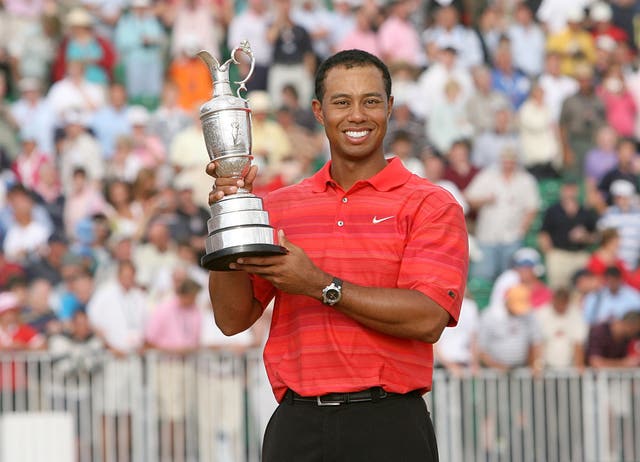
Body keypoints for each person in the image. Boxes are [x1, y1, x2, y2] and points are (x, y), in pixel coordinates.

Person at [206, 49, 468, 462]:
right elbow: (231, 318)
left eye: (371, 101)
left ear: (390, 108)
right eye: (342, 102)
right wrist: (228, 216)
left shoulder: (431, 205)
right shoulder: (279, 207)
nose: (357, 115)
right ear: (319, 111)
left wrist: (319, 285)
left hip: (390, 425)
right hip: (297, 424)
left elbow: (428, 318)